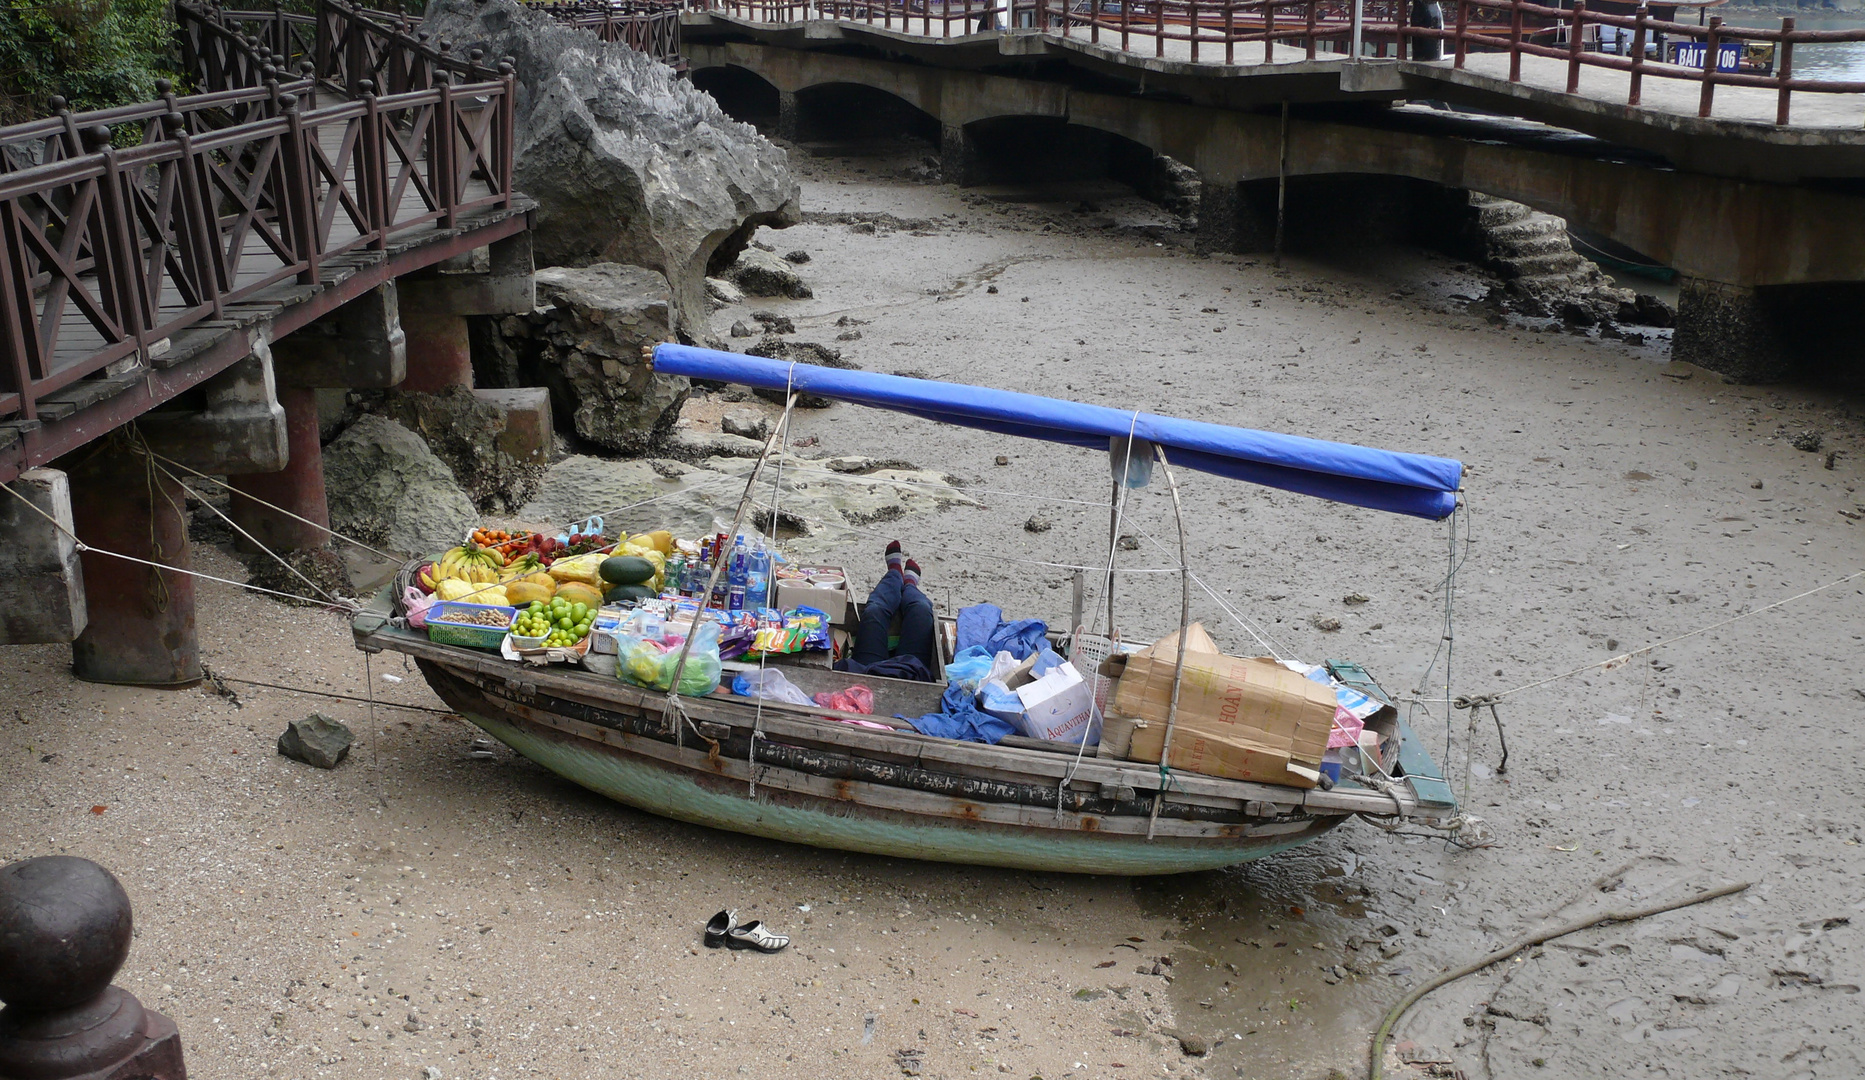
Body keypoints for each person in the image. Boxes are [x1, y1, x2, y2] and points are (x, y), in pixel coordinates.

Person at [841, 540, 937, 679]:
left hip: (867, 672)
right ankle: (909, 584)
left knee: (874, 610)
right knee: (921, 608)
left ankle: (895, 573)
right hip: (911, 672)